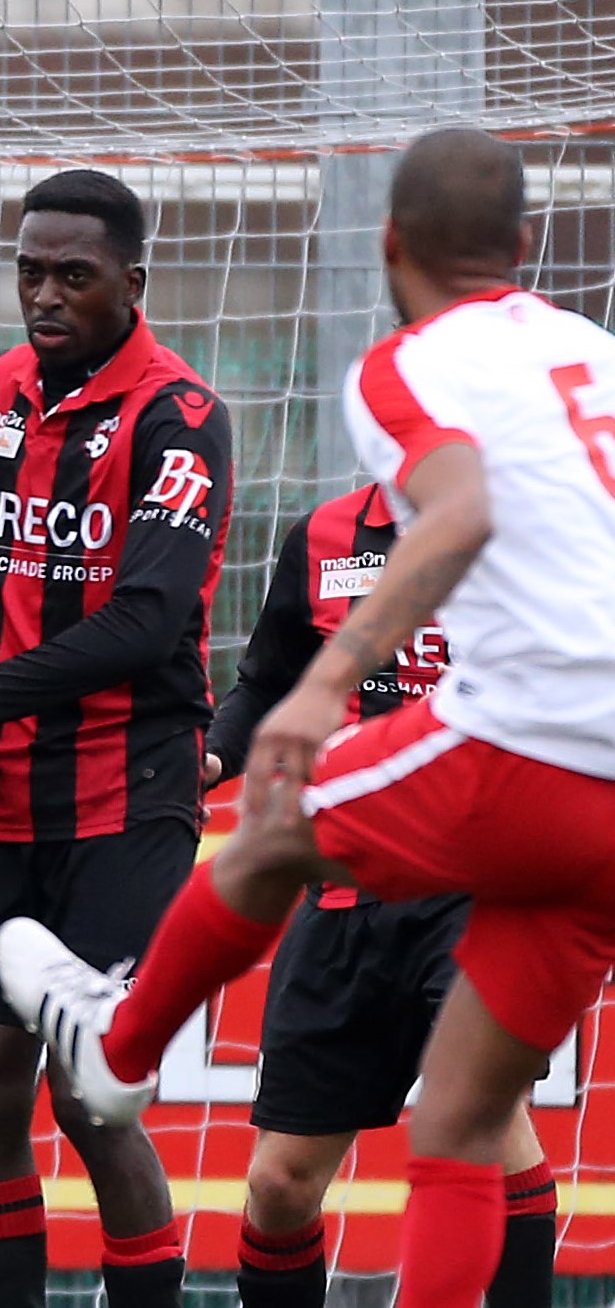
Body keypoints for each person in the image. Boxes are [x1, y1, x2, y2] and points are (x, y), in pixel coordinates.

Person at [3, 127, 613, 1308]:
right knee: (456, 1122)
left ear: (388, 247)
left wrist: (326, 692)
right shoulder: (594, 353)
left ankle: (116, 1052)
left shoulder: (407, 366)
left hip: (528, 743)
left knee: (277, 829)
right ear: (526, 247)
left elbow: (457, 513)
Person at [0, 169, 234, 1308]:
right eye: (29, 273)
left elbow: (148, 621)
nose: (43, 297)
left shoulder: (180, 416)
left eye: (73, 276)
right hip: (3, 799)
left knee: (93, 1095)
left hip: (126, 796)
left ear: (131, 283)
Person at [206, 484, 555, 1308]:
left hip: (481, 891)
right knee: (280, 1183)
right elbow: (267, 681)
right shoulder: (324, 533)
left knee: (482, 1125)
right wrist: (218, 754)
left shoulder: (539, 525)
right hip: (345, 888)